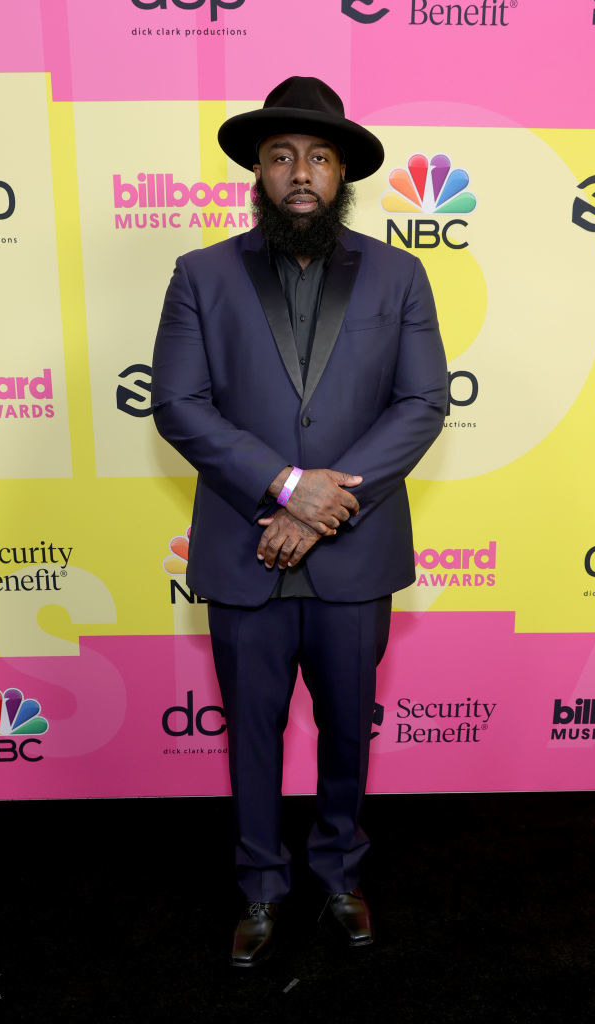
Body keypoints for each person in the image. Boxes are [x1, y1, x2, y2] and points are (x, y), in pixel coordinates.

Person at [151, 76, 447, 967]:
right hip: (247, 551)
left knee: (349, 727)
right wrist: (283, 485)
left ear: (343, 170)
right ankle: (259, 885)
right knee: (249, 728)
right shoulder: (201, 274)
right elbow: (178, 404)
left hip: (352, 555)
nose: (300, 172)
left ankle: (340, 874)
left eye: (318, 155)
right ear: (257, 171)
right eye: (281, 156)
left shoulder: (400, 274)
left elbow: (422, 401)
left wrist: (318, 510)